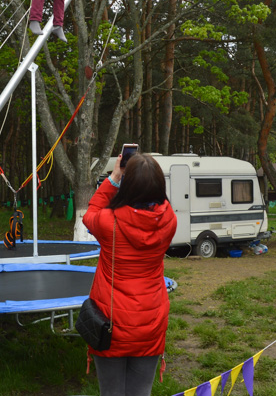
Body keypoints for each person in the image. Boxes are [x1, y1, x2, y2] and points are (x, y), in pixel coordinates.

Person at [82, 152, 177, 396]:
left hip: (111, 321)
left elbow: (90, 212)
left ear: (127, 186)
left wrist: (114, 177)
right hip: (151, 322)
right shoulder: (169, 220)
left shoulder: (107, 222)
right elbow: (160, 206)